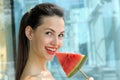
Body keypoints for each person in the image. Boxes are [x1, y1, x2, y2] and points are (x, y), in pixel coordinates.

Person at [15, 3, 94, 80]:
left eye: (60, 35)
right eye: (49, 33)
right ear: (30, 33)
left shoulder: (45, 73)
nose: (56, 43)